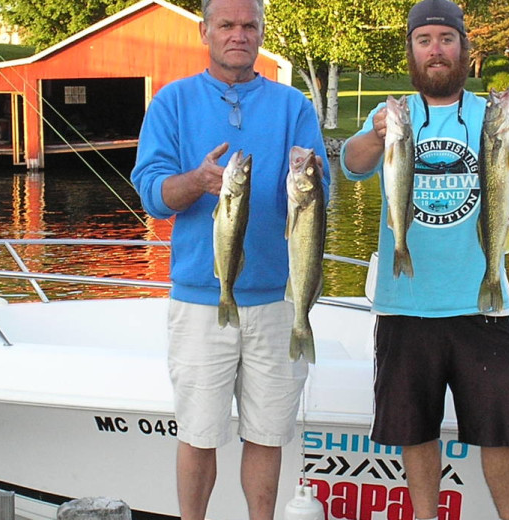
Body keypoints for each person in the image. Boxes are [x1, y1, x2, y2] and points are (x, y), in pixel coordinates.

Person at [339, 0, 509, 519]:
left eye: (446, 39)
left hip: (485, 304)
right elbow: (350, 164)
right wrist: (375, 134)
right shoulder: (395, 117)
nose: (436, 50)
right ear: (412, 51)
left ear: (463, 47)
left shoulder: (489, 114)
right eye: (424, 40)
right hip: (405, 305)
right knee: (415, 431)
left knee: (501, 431)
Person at [130, 0, 330, 518]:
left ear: (261, 33)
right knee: (199, 433)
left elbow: (317, 185)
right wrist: (196, 180)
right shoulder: (171, 103)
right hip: (201, 300)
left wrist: (308, 171)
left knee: (266, 434)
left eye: (249, 25)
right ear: (205, 31)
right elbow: (152, 194)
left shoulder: (293, 107)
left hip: (277, 300)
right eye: (227, 25)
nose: (238, 35)